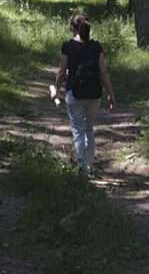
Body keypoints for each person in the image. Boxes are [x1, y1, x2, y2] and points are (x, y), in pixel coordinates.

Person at [55, 13, 116, 175]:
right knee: (89, 128)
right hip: (95, 93)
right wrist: (110, 94)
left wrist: (57, 90)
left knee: (78, 129)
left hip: (74, 94)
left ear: (71, 28)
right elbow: (103, 73)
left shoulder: (68, 46)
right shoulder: (96, 47)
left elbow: (61, 72)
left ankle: (82, 166)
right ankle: (89, 163)